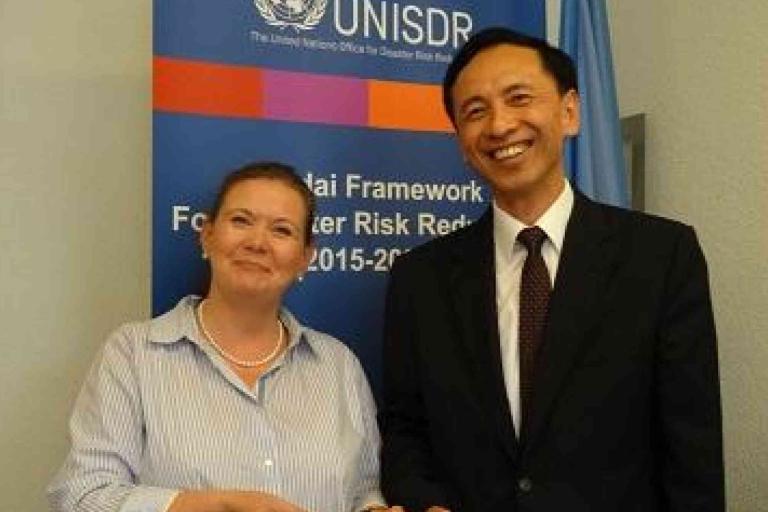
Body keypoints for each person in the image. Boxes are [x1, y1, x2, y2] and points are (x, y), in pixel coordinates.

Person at [380, 27, 724, 511]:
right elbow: (404, 430)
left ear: (569, 112)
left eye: (518, 98)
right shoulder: (419, 279)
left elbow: (693, 449)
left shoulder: (661, 257)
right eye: (475, 111)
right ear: (461, 142)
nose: (500, 125)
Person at [48, 162, 400, 512]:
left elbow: (364, 491)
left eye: (281, 230)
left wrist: (374, 509)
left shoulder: (338, 365)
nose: (257, 243)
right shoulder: (133, 354)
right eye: (241, 221)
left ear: (305, 258)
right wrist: (215, 505)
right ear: (207, 236)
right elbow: (82, 495)